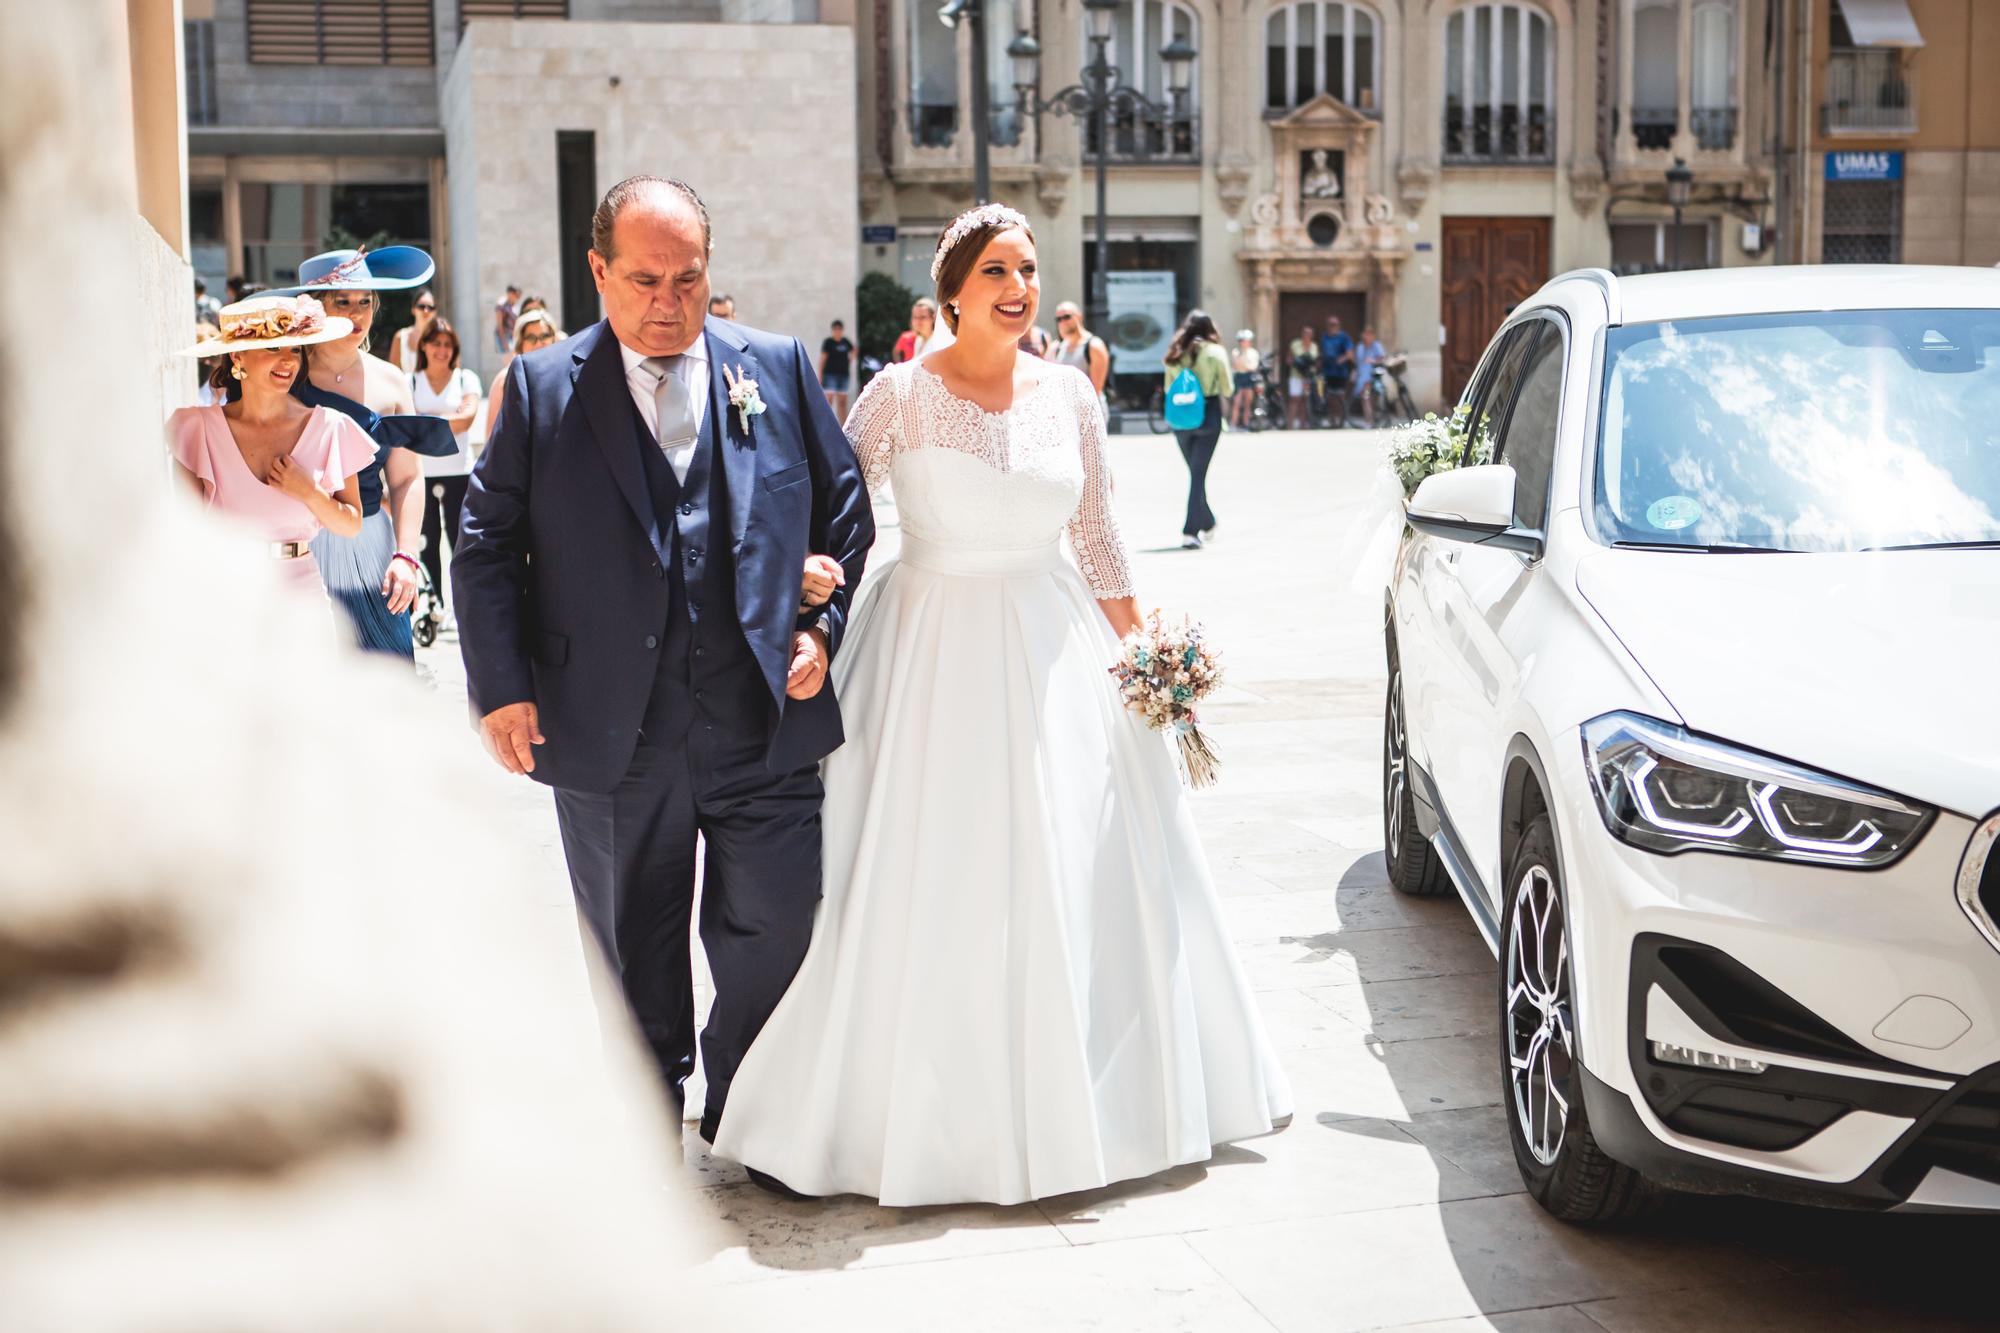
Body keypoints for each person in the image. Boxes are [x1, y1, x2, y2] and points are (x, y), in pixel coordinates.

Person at [715, 203, 1290, 1205]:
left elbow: (1098, 536)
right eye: (995, 270)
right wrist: (800, 606)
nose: (1018, 286)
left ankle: (1093, 1107)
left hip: (1055, 648)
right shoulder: (898, 393)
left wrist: (1147, 655)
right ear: (951, 291)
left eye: (1026, 268)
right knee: (924, 866)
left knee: (1076, 861)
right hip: (925, 648)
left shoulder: (1070, 394)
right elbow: (831, 512)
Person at [452, 177, 875, 1194]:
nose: (667, 302)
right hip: (608, 730)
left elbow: (844, 510)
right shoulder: (541, 386)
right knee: (631, 950)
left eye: (687, 278)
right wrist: (500, 688)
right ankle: (644, 1138)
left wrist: (817, 626)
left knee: (777, 923)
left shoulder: (773, 366)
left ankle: (751, 1111)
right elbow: (485, 543)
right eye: (644, 279)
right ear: (598, 271)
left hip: (759, 721)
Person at [269, 245, 457, 659]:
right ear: (317, 306)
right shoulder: (283, 376)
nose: (356, 314)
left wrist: (405, 556)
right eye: (343, 302)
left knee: (386, 676)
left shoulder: (392, 381)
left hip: (372, 550)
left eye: (365, 302)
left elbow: (407, 478)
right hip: (299, 550)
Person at [167, 295, 376, 597]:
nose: (289, 360)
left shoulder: (329, 426)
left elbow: (351, 525)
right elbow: (185, 533)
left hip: (301, 600)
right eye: (274, 347)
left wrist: (310, 493)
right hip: (224, 596)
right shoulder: (197, 430)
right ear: (238, 356)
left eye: (296, 349)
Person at [410, 319, 484, 602]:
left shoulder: (466, 379)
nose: (442, 350)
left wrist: (425, 421)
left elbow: (466, 420)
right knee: (427, 544)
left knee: (461, 544)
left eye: (447, 345)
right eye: (436, 343)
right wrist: (448, 419)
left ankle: (463, 608)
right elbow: (408, 425)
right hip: (422, 473)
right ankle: (435, 606)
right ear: (424, 346)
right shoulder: (410, 381)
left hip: (459, 472)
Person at [1163, 309, 1233, 549]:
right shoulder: (1215, 352)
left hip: (1180, 417)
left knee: (1195, 473)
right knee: (1198, 474)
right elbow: (1227, 388)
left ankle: (1208, 521)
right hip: (1208, 414)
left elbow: (1168, 388)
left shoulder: (1175, 352)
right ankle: (1190, 531)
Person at [484, 308, 559, 440]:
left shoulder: (564, 376)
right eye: (531, 338)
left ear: (553, 339)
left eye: (544, 336)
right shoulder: (505, 379)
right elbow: (491, 437)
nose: (539, 343)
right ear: (520, 344)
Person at [1046, 299, 1110, 421]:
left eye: (1067, 317)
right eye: (1058, 319)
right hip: (1064, 415)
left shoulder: (1094, 345)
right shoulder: (1056, 348)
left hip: (1091, 414)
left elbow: (1096, 389)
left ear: (1079, 317)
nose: (1063, 322)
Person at [386, 288, 438, 375]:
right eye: (421, 306)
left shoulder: (442, 338)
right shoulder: (401, 337)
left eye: (430, 307)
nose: (426, 311)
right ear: (413, 309)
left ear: (435, 312)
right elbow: (393, 375)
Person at [1318, 315, 1355, 426]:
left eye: (1334, 324)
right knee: (1329, 396)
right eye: (1330, 324)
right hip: (1327, 371)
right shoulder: (1324, 337)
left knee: (1340, 396)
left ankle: (1341, 419)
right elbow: (1322, 352)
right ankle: (1332, 419)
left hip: (1340, 372)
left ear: (1338, 326)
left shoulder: (1344, 337)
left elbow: (1350, 354)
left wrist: (1341, 359)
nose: (1332, 327)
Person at [818, 318, 855, 419]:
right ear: (832, 330)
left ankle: (843, 426)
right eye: (835, 329)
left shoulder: (845, 342)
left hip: (843, 375)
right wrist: (820, 374)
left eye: (839, 329)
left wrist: (850, 359)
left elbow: (853, 350)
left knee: (842, 403)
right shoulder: (828, 342)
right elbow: (822, 359)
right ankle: (826, 424)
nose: (837, 331)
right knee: (828, 401)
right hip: (830, 375)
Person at [1352, 324, 1387, 427]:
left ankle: (1373, 418)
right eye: (1366, 334)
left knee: (1371, 398)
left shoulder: (1377, 346)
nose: (1368, 336)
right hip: (1363, 376)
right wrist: (1354, 372)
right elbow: (1358, 362)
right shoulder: (1360, 347)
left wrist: (1373, 361)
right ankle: (1369, 419)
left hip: (1374, 375)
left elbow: (1382, 359)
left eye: (1370, 334)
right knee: (1365, 397)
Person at [1285, 323, 1319, 429]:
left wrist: (1311, 369)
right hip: (1295, 376)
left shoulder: (1314, 347)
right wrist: (1297, 364)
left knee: (1305, 400)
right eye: (1305, 333)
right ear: (1302, 333)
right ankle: (1290, 425)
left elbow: (1316, 362)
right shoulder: (1295, 344)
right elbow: (1288, 359)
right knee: (1294, 399)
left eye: (1309, 333)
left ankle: (1302, 425)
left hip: (1307, 377)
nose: (1307, 335)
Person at [1230, 328, 1264, 429]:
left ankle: (1246, 424)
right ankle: (1233, 424)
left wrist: (1244, 365)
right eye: (1241, 340)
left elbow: (1253, 366)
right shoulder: (1236, 352)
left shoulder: (1253, 353)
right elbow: (1235, 365)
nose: (1243, 343)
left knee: (1247, 403)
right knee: (1236, 402)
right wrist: (1244, 363)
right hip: (1239, 377)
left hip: (1249, 377)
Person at [494, 284, 520, 355]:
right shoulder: (502, 306)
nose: (517, 298)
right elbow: (500, 326)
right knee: (507, 357)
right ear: (510, 294)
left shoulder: (513, 306)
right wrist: (504, 343)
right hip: (504, 337)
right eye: (516, 295)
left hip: (512, 337)